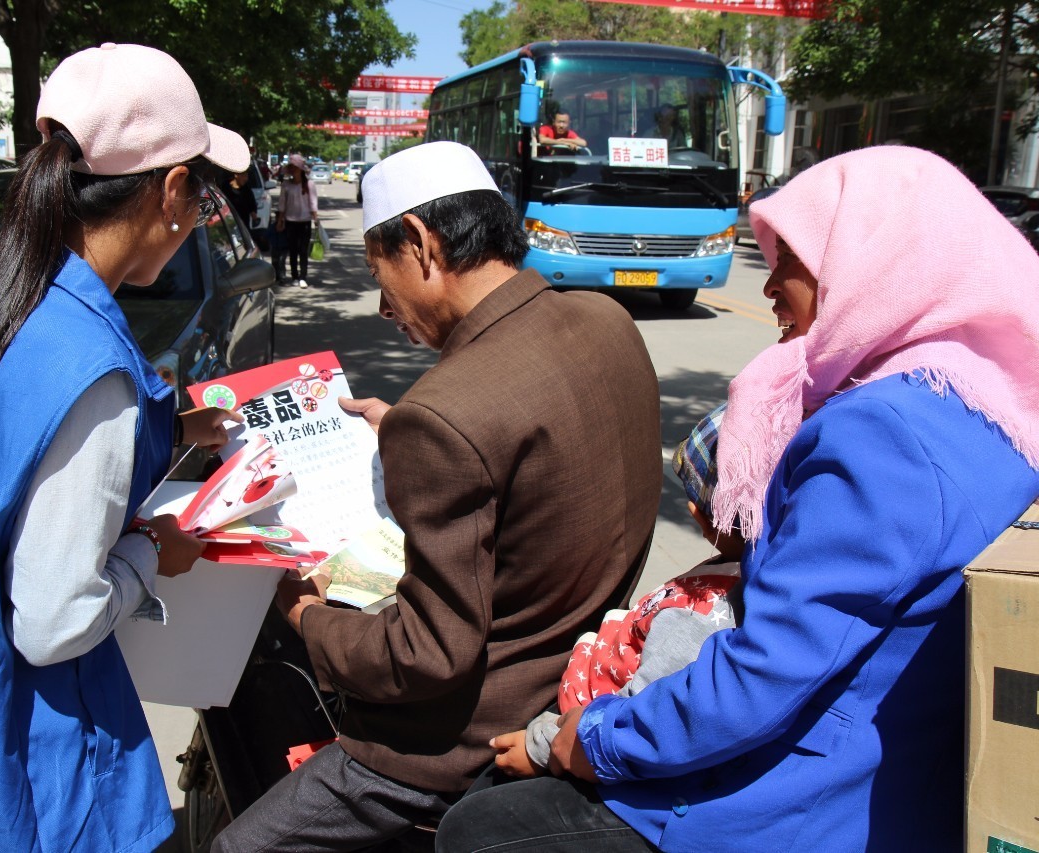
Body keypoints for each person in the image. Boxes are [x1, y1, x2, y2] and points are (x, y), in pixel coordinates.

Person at [434, 145, 1039, 852]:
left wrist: (593, 740)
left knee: (477, 826)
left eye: (794, 261)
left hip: (804, 803)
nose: (770, 286)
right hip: (884, 767)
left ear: (883, 264)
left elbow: (767, 670)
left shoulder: (884, 431)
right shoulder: (986, 402)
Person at [211, 140, 662, 851]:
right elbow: (539, 462)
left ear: (420, 244)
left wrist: (303, 611)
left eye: (379, 275)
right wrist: (417, 434)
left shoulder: (447, 410)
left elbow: (423, 656)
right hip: (578, 674)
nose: (384, 307)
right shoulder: (607, 322)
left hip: (451, 743)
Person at [0, 43, 250, 852]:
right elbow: (54, 620)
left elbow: (3, 454)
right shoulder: (92, 369)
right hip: (22, 772)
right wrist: (154, 553)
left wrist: (174, 429)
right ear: (173, 189)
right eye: (203, 197)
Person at [492, 405, 742, 779]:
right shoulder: (732, 569)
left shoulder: (704, 615)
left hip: (580, 733)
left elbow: (644, 708)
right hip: (588, 693)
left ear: (700, 516)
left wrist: (539, 749)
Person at [276, 153, 317, 288]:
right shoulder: (286, 185)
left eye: (295, 167)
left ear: (300, 169)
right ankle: (294, 276)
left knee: (303, 250)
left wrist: (315, 218)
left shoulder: (309, 184)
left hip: (305, 221)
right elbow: (282, 204)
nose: (293, 170)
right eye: (291, 167)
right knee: (293, 250)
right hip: (290, 221)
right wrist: (280, 220)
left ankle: (303, 276)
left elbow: (313, 202)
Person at [221, 165, 258, 232]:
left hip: (243, 224)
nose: (246, 179)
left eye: (247, 176)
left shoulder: (247, 190)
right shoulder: (225, 187)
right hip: (227, 223)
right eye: (244, 176)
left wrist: (254, 217)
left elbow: (252, 206)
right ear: (236, 175)